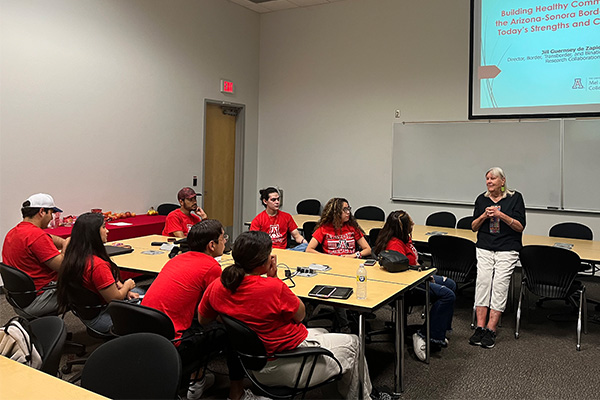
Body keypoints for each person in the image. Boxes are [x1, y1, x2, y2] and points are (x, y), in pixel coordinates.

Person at [199, 231, 379, 400]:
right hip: (286, 363)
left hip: (252, 365)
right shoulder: (272, 288)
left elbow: (204, 319)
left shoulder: (218, 285)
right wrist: (274, 279)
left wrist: (236, 318)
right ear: (264, 261)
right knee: (354, 342)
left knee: (323, 331)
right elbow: (301, 315)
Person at [143, 219, 231, 400]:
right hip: (175, 340)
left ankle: (188, 376)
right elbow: (219, 308)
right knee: (228, 328)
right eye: (224, 238)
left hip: (147, 331)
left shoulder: (177, 258)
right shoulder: (211, 266)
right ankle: (197, 382)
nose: (226, 242)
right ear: (212, 245)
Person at [373, 210, 456, 362]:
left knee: (450, 284)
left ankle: (437, 331)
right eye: (410, 223)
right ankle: (423, 335)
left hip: (417, 276)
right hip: (408, 286)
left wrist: (425, 274)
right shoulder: (395, 245)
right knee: (447, 295)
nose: (413, 225)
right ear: (403, 227)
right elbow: (402, 273)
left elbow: (413, 262)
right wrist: (425, 277)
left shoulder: (405, 239)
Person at [56, 212, 140, 333]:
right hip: (101, 316)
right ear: (93, 233)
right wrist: (127, 285)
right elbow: (115, 298)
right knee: (149, 299)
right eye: (104, 227)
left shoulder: (74, 255)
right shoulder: (98, 265)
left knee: (140, 293)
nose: (107, 231)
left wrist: (120, 286)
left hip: (86, 313)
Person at [469, 167, 525, 349]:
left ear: (502, 181)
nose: (489, 182)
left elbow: (519, 227)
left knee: (499, 285)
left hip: (507, 249)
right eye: (487, 179)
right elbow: (474, 227)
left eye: (493, 178)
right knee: (483, 283)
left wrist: (501, 215)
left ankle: (491, 330)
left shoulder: (515, 198)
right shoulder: (481, 199)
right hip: (485, 247)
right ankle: (479, 327)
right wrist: (485, 215)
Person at [2, 193, 69, 317]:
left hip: (21, 298)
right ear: (42, 212)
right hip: (40, 297)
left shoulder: (14, 232)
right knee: (87, 286)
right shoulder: (36, 236)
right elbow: (64, 266)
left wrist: (64, 241)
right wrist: (67, 246)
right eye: (51, 213)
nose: (52, 218)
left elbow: (49, 238)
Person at [306, 197, 371, 258]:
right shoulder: (323, 228)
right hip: (331, 263)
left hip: (350, 262)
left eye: (348, 209)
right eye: (345, 209)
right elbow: (309, 249)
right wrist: (326, 257)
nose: (348, 212)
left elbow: (368, 249)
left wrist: (354, 255)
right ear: (336, 212)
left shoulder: (352, 227)